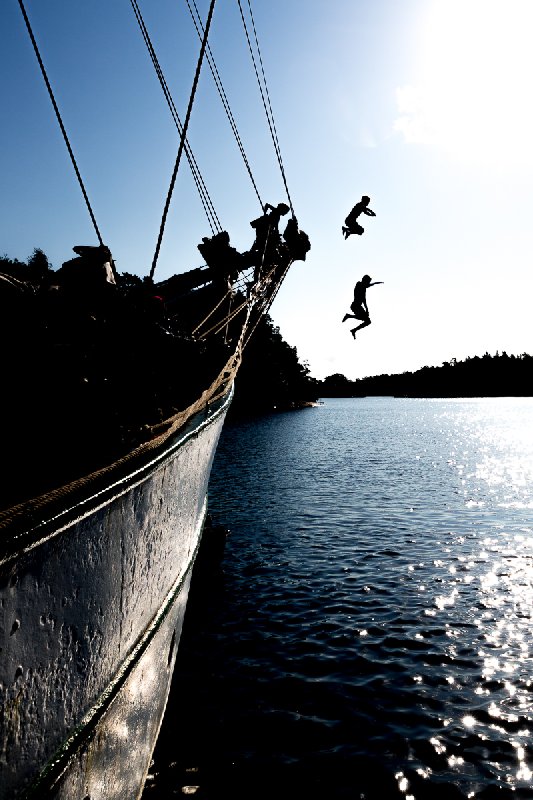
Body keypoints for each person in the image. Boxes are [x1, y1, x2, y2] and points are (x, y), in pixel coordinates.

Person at [341, 274, 383, 338]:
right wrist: (366, 309)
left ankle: (353, 329)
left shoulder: (363, 286)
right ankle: (349, 317)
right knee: (366, 320)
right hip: (355, 306)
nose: (368, 283)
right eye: (368, 281)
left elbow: (367, 290)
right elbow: (363, 298)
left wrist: (376, 283)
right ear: (365, 281)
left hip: (358, 306)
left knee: (367, 321)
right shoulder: (359, 285)